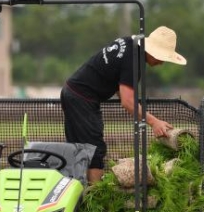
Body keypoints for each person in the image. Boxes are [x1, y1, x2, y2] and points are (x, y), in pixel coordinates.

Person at [60, 26, 187, 184]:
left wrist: (135, 106)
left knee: (79, 149)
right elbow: (127, 102)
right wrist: (154, 122)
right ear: (153, 51)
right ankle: (94, 198)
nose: (162, 63)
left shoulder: (130, 44)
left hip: (73, 92)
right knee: (94, 150)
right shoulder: (134, 60)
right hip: (82, 98)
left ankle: (78, 193)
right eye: (162, 57)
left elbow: (121, 88)